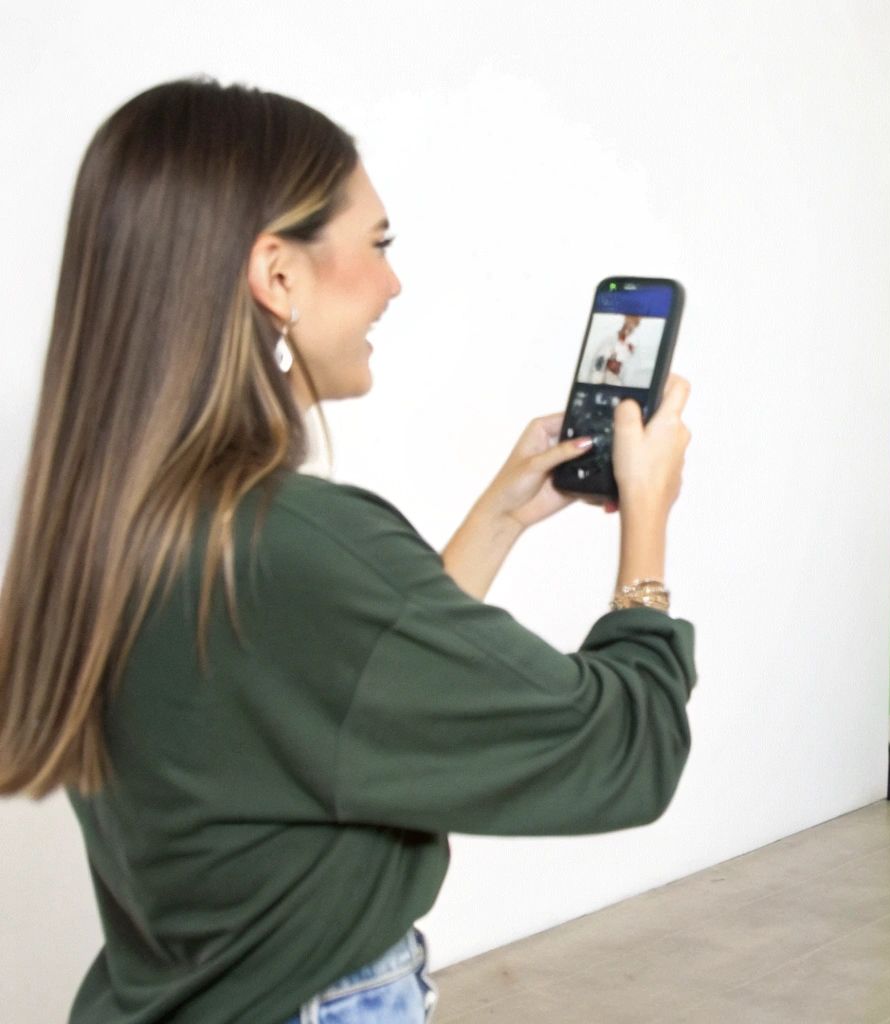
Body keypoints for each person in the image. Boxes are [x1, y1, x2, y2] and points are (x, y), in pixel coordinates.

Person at [0, 79, 696, 1023]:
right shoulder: (300, 543)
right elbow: (623, 750)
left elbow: (332, 697)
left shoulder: (112, 528)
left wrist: (498, 516)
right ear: (278, 275)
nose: (393, 283)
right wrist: (645, 525)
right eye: (377, 245)